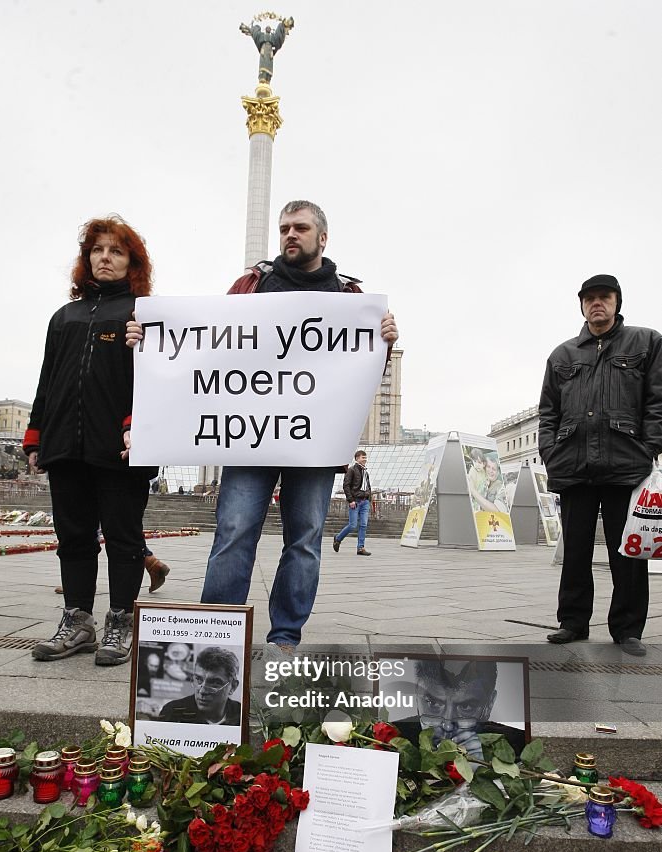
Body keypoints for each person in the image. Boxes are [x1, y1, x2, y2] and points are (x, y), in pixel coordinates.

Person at [126, 200, 398, 658]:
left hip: (312, 442)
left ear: (322, 237)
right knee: (233, 531)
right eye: (285, 228)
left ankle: (285, 637)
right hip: (248, 435)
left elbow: (357, 370)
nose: (291, 235)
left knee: (306, 538)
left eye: (301, 228)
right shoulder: (251, 286)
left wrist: (384, 341)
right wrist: (149, 339)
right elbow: (206, 343)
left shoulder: (351, 299)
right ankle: (215, 633)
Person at [24, 216, 156, 666]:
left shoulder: (144, 314)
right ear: (87, 260)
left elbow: (160, 381)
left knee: (124, 538)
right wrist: (36, 434)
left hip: (122, 447)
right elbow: (47, 381)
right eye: (98, 250)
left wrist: (139, 423)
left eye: (116, 251)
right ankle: (77, 621)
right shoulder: (63, 318)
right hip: (65, 444)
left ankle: (120, 622)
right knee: (74, 537)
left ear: (131, 262)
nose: (105, 258)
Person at [539, 274, 662, 657]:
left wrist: (648, 448)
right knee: (575, 550)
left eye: (604, 298)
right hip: (574, 465)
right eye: (589, 299)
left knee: (625, 551)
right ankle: (572, 623)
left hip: (625, 464)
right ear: (581, 305)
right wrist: (550, 453)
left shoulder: (647, 342)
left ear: (617, 302)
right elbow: (549, 412)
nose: (597, 304)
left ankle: (627, 629)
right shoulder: (563, 355)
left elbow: (657, 401)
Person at [394, 659, 524, 759]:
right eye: (433, 703)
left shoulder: (516, 746)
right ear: (417, 695)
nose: (448, 725)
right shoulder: (389, 738)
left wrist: (479, 765)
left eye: (466, 707)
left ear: (489, 704)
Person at [158, 646, 242, 726]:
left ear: (233, 687)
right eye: (198, 679)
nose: (202, 691)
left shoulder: (241, 714)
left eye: (215, 683)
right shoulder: (172, 712)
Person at [333, 450, 373, 555]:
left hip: (365, 502)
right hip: (355, 501)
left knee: (363, 525)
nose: (365, 459)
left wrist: (369, 497)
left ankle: (360, 548)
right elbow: (346, 485)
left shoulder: (365, 472)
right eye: (362, 458)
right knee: (353, 525)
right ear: (357, 459)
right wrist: (351, 500)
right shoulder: (351, 470)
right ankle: (338, 538)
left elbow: (367, 486)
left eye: (365, 457)